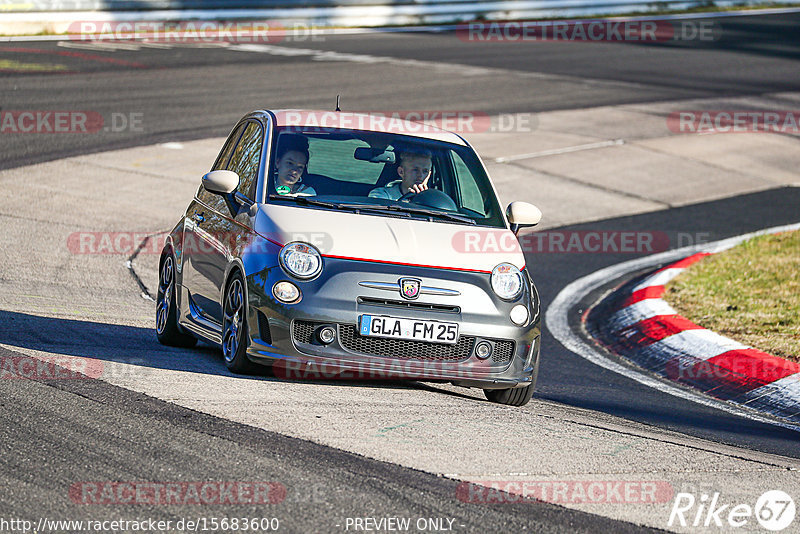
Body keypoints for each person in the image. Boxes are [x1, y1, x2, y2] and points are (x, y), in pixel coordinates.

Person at [368, 147, 433, 200]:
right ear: (401, 172)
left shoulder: (434, 200)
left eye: (425, 171)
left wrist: (425, 199)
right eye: (415, 170)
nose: (420, 176)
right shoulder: (382, 194)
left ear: (429, 175)